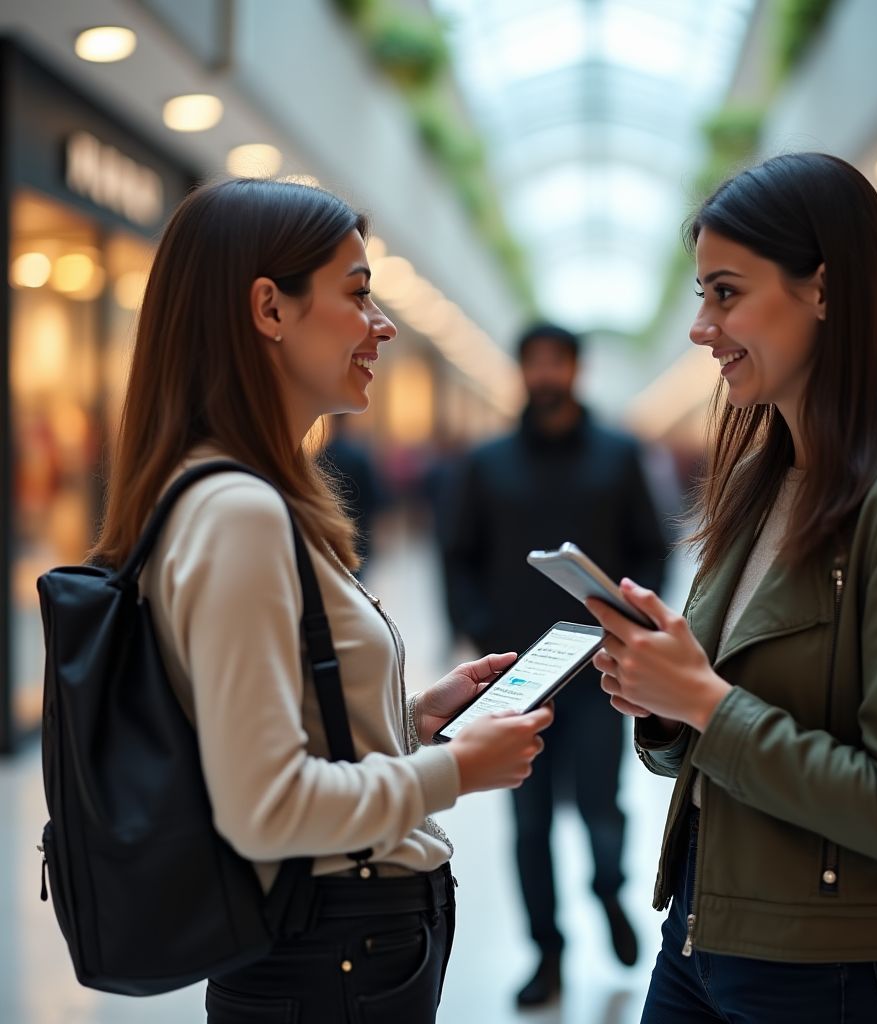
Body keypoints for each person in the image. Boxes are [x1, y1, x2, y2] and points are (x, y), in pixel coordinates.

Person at [89, 177, 553, 1024]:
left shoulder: (240, 493)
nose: (381, 326)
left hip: (335, 956)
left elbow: (266, 737)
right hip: (331, 959)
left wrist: (411, 719)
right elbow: (267, 810)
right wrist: (456, 770)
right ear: (269, 308)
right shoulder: (238, 512)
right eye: (358, 293)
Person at [586, 153, 877, 1024]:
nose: (702, 326)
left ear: (823, 290)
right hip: (700, 933)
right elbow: (710, 730)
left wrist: (703, 701)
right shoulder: (761, 485)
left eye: (726, 292)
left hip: (828, 972)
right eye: (701, 294)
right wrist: (663, 702)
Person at [441, 323, 669, 1008]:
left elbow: (651, 548)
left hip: (602, 671)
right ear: (522, 371)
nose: (545, 375)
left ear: (575, 369)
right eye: (534, 363)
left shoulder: (619, 454)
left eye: (556, 363)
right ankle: (547, 954)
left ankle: (608, 893)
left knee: (601, 805)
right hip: (519, 675)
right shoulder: (487, 462)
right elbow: (457, 553)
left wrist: (633, 623)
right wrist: (475, 625)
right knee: (530, 822)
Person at [318, 414, 382, 571]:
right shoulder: (358, 456)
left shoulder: (322, 455)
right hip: (360, 530)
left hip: (330, 532)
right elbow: (372, 499)